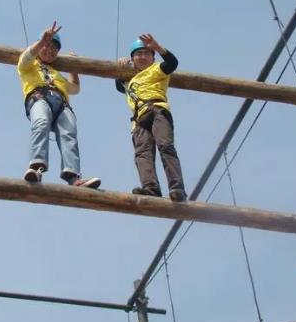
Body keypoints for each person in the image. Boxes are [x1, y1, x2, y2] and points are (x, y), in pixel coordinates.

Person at [17, 21, 101, 188]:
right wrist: (42, 40)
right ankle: (36, 167)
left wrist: (73, 70)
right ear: (39, 46)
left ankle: (73, 176)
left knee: (69, 135)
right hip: (39, 97)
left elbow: (74, 89)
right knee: (40, 123)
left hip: (61, 103)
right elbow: (26, 56)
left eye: (55, 48)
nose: (50, 50)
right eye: (46, 46)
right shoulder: (29, 65)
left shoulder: (57, 75)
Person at [115, 33, 187, 201]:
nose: (142, 57)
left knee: (166, 146)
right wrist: (121, 67)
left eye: (146, 53)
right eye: (138, 54)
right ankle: (151, 187)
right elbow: (120, 86)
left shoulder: (157, 69)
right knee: (142, 154)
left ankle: (177, 187)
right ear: (133, 58)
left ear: (152, 58)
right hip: (139, 120)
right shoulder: (131, 80)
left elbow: (172, 63)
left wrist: (157, 47)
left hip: (156, 110)